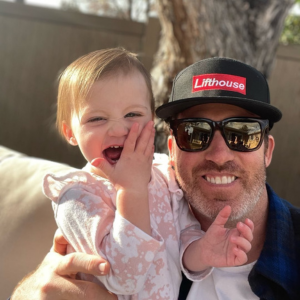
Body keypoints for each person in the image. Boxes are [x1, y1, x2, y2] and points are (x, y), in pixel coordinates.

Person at [11, 57, 300, 300]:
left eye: (242, 133)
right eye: (195, 133)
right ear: (171, 152)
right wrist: (28, 291)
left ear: (267, 151)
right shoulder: (94, 195)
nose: (220, 154)